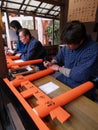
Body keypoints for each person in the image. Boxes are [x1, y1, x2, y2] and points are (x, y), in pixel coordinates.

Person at [44, 20, 98, 100]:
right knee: (47, 95)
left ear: (81, 40)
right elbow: (60, 56)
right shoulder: (69, 44)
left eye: (69, 44)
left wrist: (59, 68)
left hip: (82, 85)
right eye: (65, 43)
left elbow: (79, 75)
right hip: (65, 79)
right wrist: (52, 62)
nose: (66, 46)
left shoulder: (93, 50)